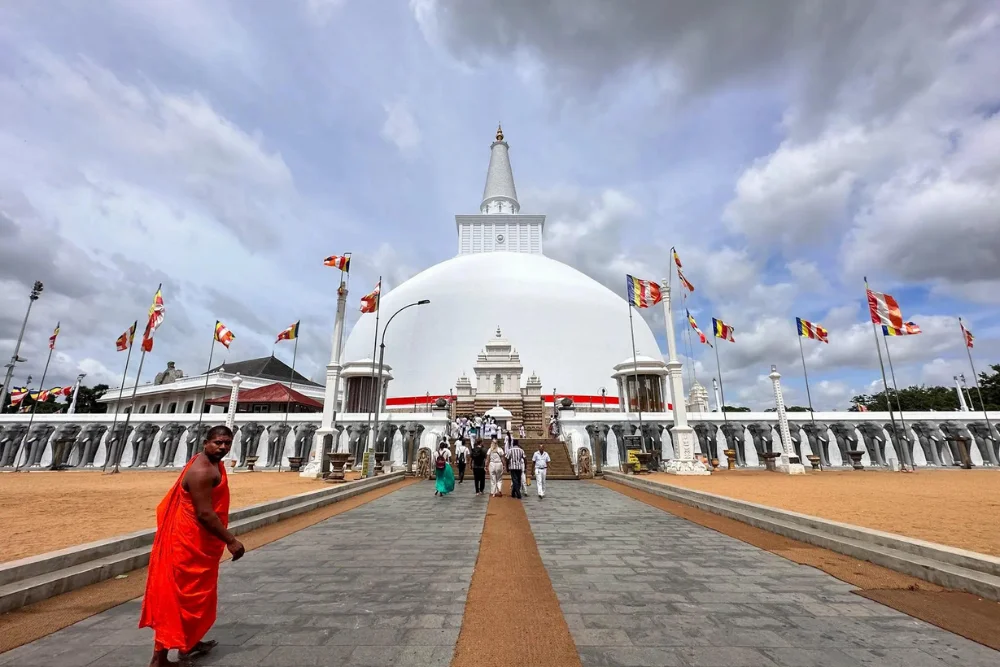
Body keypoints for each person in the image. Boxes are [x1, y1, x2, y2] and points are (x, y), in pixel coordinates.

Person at [140, 425, 245, 667]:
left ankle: (189, 642)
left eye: (227, 443)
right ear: (205, 442)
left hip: (198, 542)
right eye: (218, 442)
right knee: (178, 598)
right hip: (187, 543)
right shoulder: (202, 470)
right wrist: (231, 540)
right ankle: (160, 660)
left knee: (197, 596)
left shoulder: (209, 463)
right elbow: (205, 514)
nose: (223, 447)